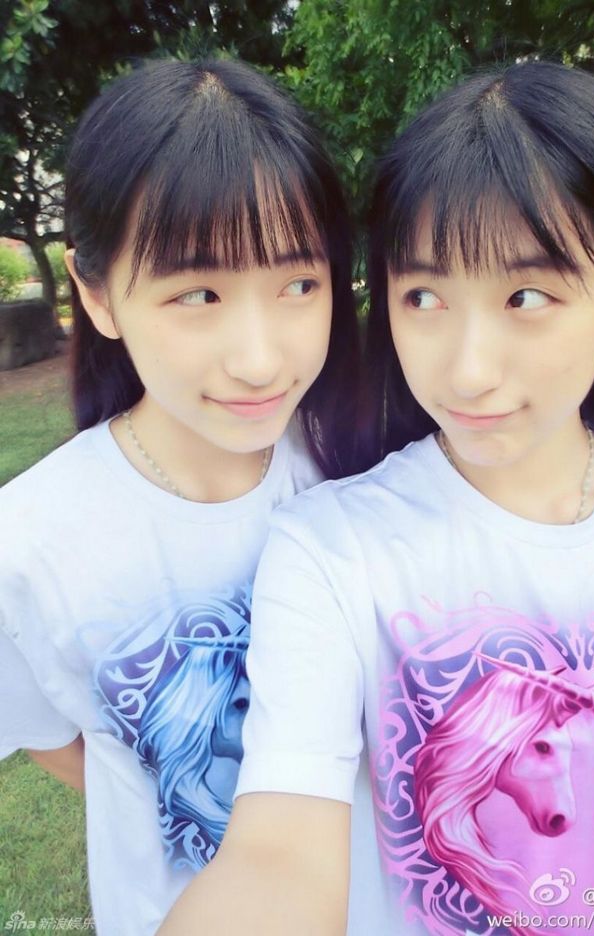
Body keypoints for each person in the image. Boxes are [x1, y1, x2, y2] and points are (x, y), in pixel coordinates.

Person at [159, 62, 594, 936]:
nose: (467, 370)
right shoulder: (332, 550)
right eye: (423, 296)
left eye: (527, 296)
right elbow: (278, 852)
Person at [0, 58, 361, 936]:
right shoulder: (27, 544)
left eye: (299, 284)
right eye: (198, 293)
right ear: (97, 295)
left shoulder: (361, 465)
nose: (260, 359)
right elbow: (48, 733)